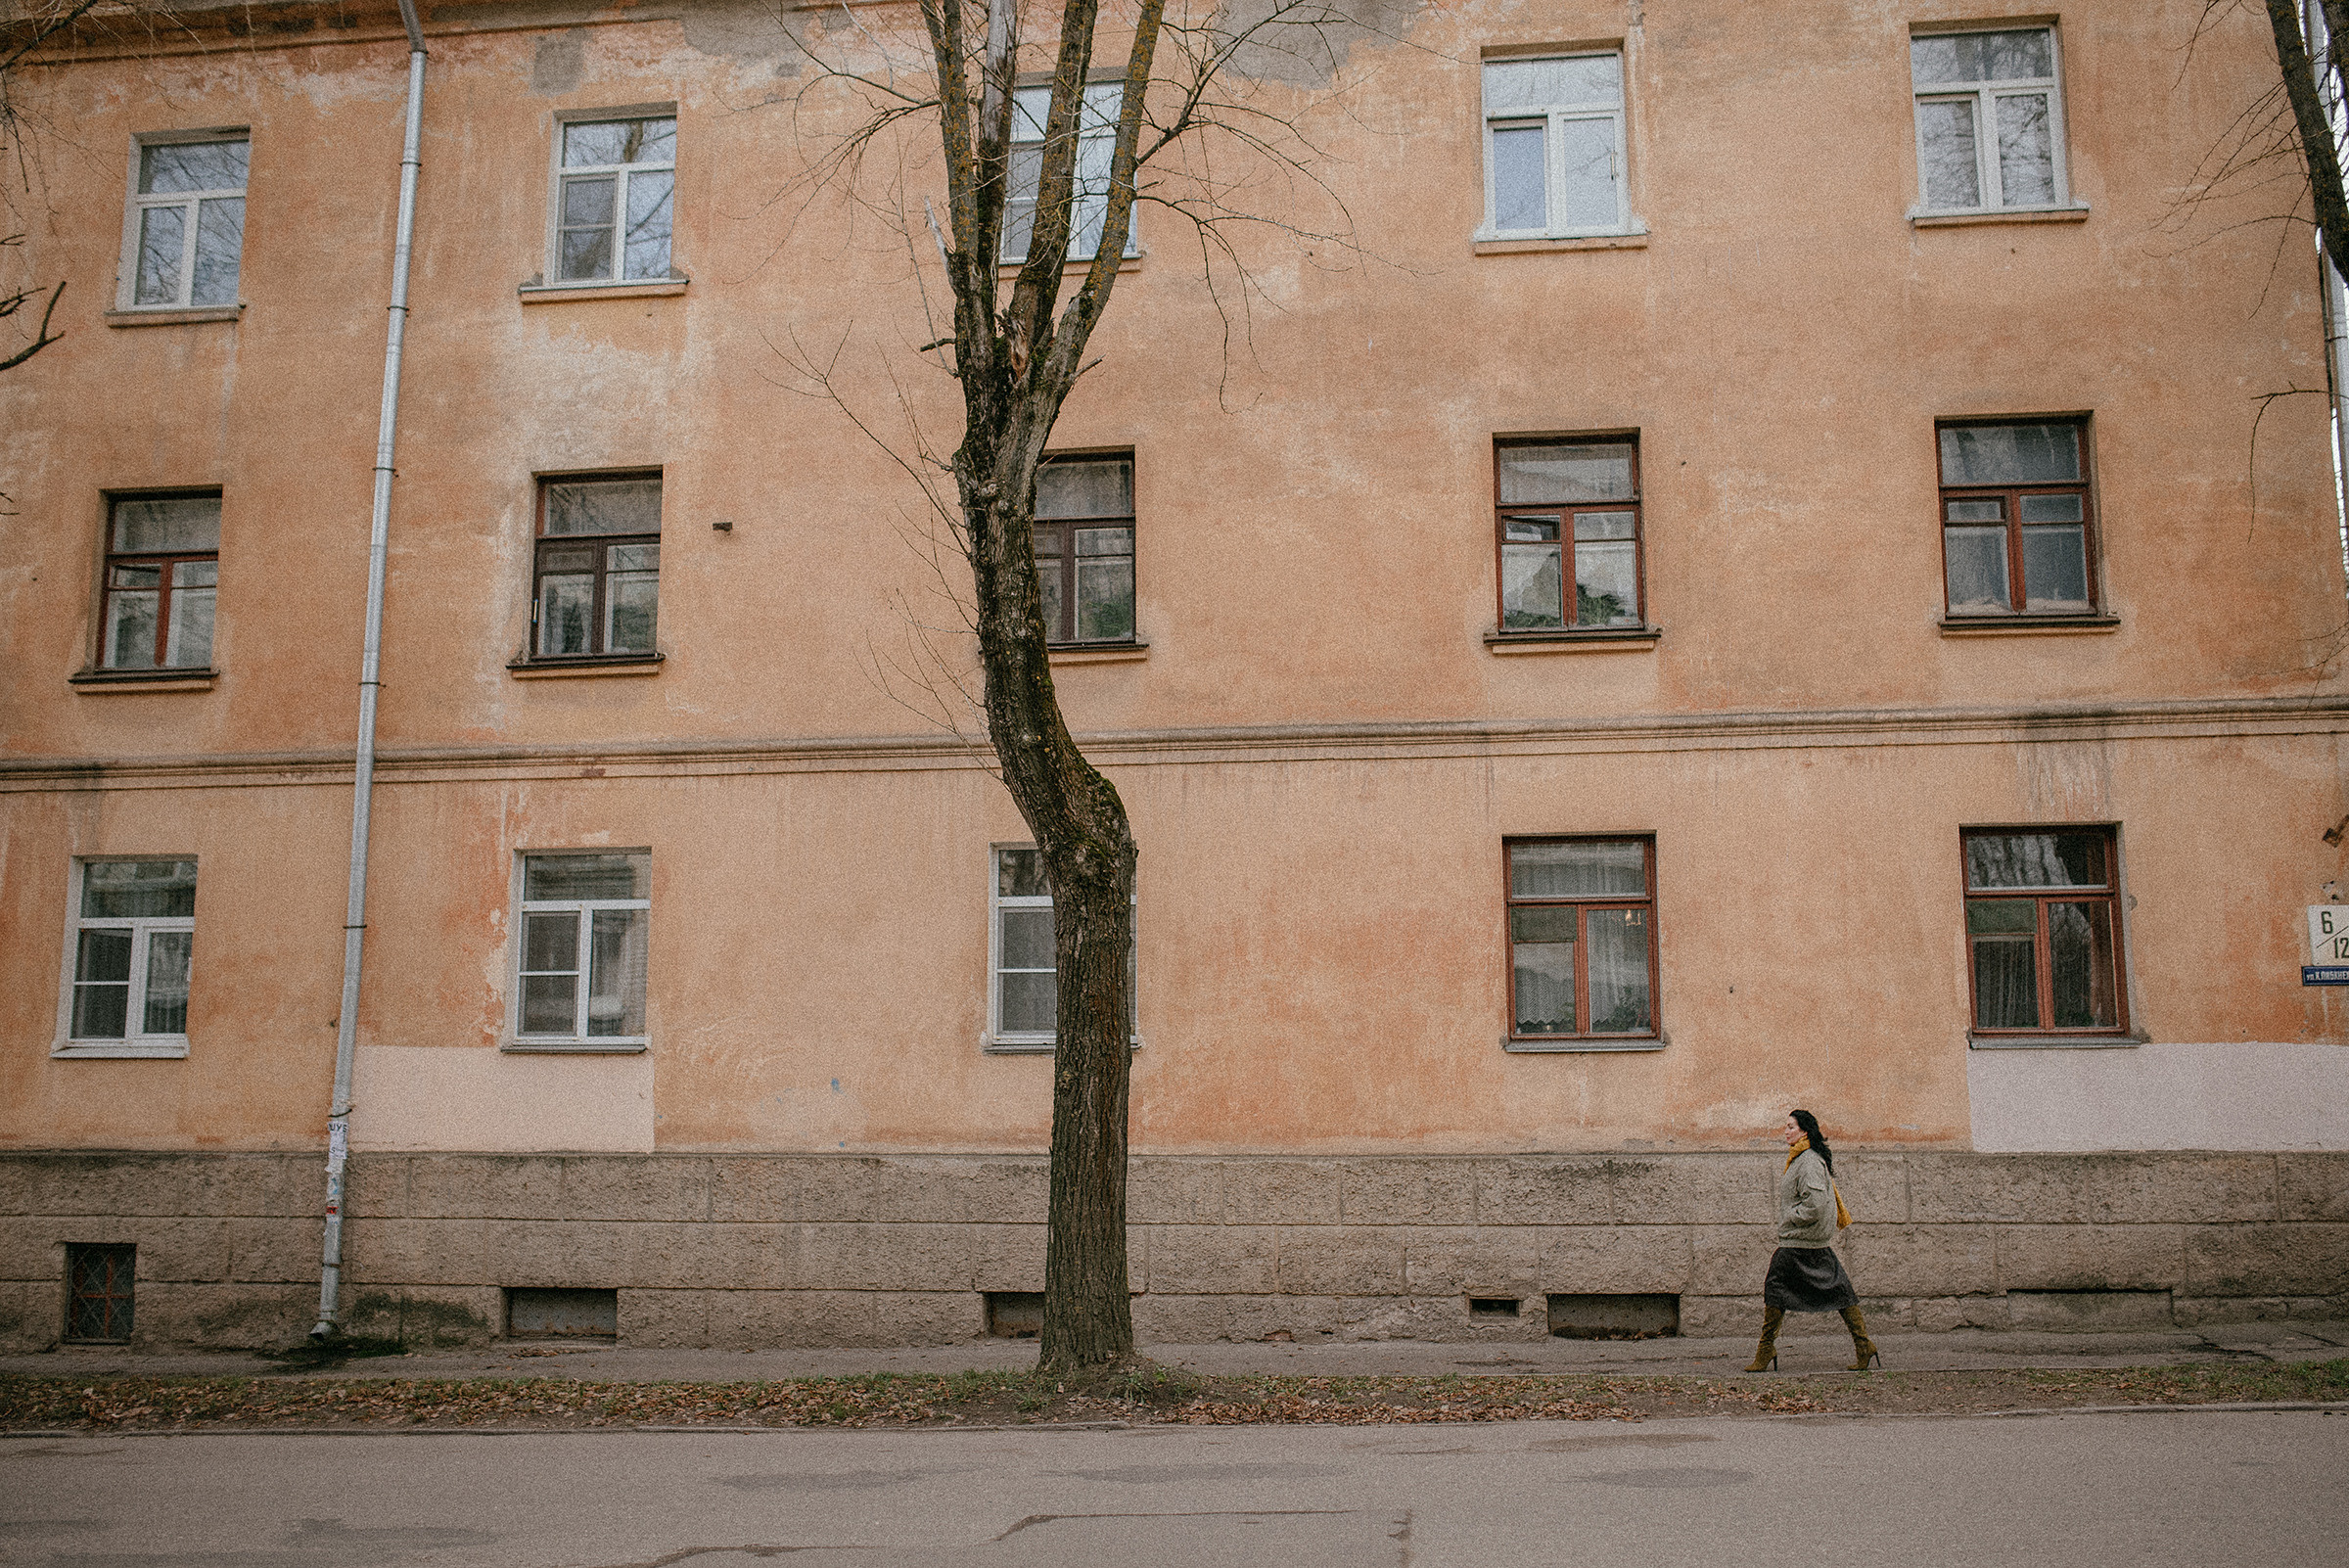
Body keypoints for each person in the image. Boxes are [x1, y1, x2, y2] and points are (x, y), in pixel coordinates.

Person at [1743, 1108, 1879, 1372]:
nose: (1785, 1131)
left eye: (1791, 1127)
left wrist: (1789, 1218)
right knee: (1840, 1292)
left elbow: (1815, 1205)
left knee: (1775, 1291)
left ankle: (1766, 1350)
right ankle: (1864, 1345)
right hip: (1805, 1242)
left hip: (1799, 1242)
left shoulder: (1807, 1161)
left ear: (1804, 1131)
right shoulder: (1801, 1159)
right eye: (1785, 1127)